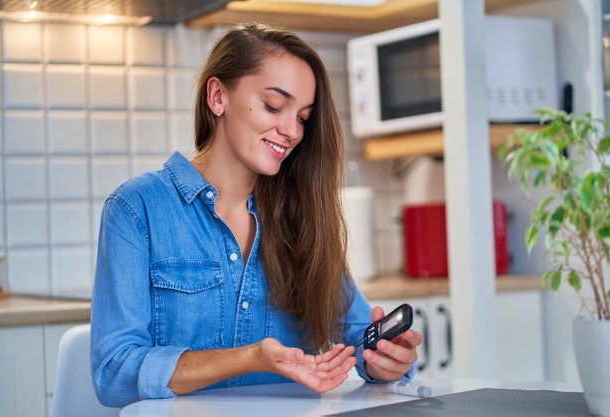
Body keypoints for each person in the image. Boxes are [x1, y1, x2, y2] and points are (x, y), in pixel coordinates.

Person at [90, 22, 422, 408]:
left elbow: (360, 335)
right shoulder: (137, 209)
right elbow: (114, 373)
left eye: (302, 117)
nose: (291, 131)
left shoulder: (302, 218)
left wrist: (388, 361)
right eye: (274, 106)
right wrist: (250, 357)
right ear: (218, 97)